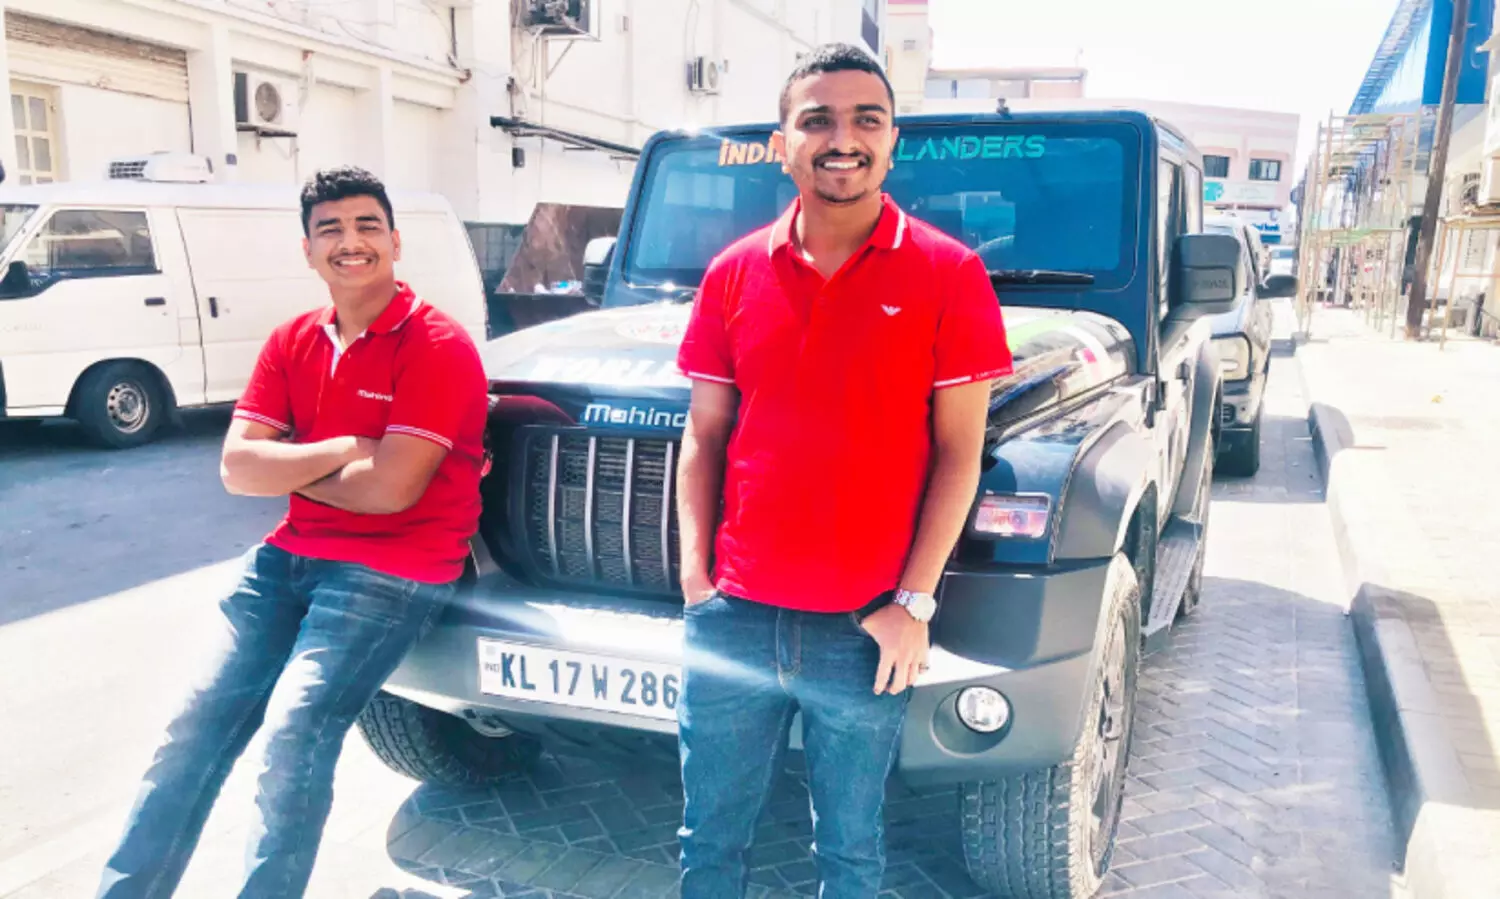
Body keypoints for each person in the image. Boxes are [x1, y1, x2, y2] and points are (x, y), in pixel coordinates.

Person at [673, 43, 1013, 898]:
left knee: (851, 853)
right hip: (734, 618)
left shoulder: (949, 273)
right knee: (707, 843)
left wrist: (913, 604)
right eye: (817, 120)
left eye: (866, 119)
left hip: (865, 629)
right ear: (781, 144)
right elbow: (704, 434)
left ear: (893, 141)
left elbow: (960, 453)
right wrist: (694, 580)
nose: (842, 139)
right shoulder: (732, 273)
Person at [97, 166, 490, 898]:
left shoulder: (437, 343)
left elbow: (391, 491)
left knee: (292, 735)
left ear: (396, 241)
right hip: (286, 559)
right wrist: (343, 449)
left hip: (393, 570)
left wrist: (287, 466)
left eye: (368, 225)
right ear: (307, 250)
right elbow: (236, 468)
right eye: (329, 229)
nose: (350, 241)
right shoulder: (291, 341)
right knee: (191, 732)